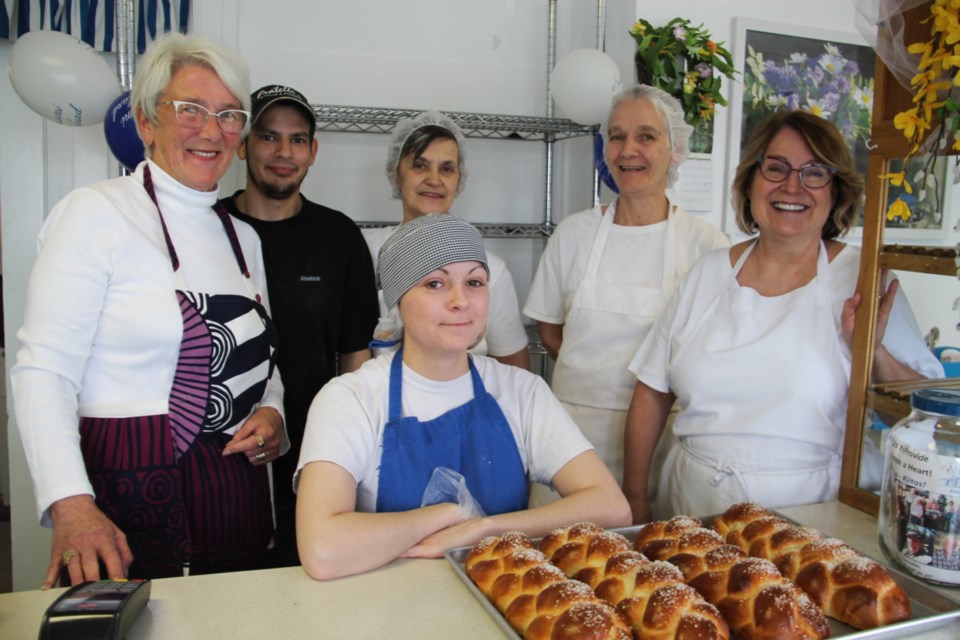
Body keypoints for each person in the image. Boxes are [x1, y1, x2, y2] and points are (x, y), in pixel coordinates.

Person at [11, 32, 287, 586]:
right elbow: (43, 370)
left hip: (236, 498)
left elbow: (261, 363)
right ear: (145, 121)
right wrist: (69, 504)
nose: (211, 130)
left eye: (229, 115)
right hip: (128, 495)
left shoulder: (243, 239)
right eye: (190, 110)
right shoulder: (95, 214)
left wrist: (273, 412)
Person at [623, 110, 943, 524]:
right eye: (776, 168)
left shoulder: (866, 280)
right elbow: (651, 391)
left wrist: (871, 348)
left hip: (816, 519)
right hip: (691, 510)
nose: (793, 186)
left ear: (836, 191)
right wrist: (635, 499)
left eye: (814, 173)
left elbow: (921, 422)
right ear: (751, 182)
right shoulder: (708, 272)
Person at [295, 214, 631, 580]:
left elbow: (612, 507)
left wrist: (484, 530)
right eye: (435, 283)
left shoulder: (522, 391)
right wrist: (450, 515)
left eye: (475, 282)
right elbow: (322, 550)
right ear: (397, 300)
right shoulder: (350, 400)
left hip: (498, 600)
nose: (461, 301)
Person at [523, 85, 729, 500]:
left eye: (646, 136)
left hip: (663, 440)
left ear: (675, 150)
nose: (627, 149)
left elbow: (712, 356)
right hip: (569, 438)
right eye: (617, 136)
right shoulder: (573, 233)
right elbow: (550, 331)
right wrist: (594, 386)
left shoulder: (707, 246)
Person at [219, 84, 379, 567]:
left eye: (297, 139)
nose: (283, 153)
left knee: (304, 582)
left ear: (313, 151)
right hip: (223, 451)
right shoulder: (210, 227)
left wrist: (356, 447)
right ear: (243, 145)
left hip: (314, 452)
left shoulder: (339, 236)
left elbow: (355, 356)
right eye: (268, 137)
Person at [362, 110, 530, 370]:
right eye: (420, 165)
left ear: (459, 179)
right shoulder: (365, 251)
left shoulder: (489, 270)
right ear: (396, 173)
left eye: (447, 169)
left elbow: (515, 370)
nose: (434, 179)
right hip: (378, 408)